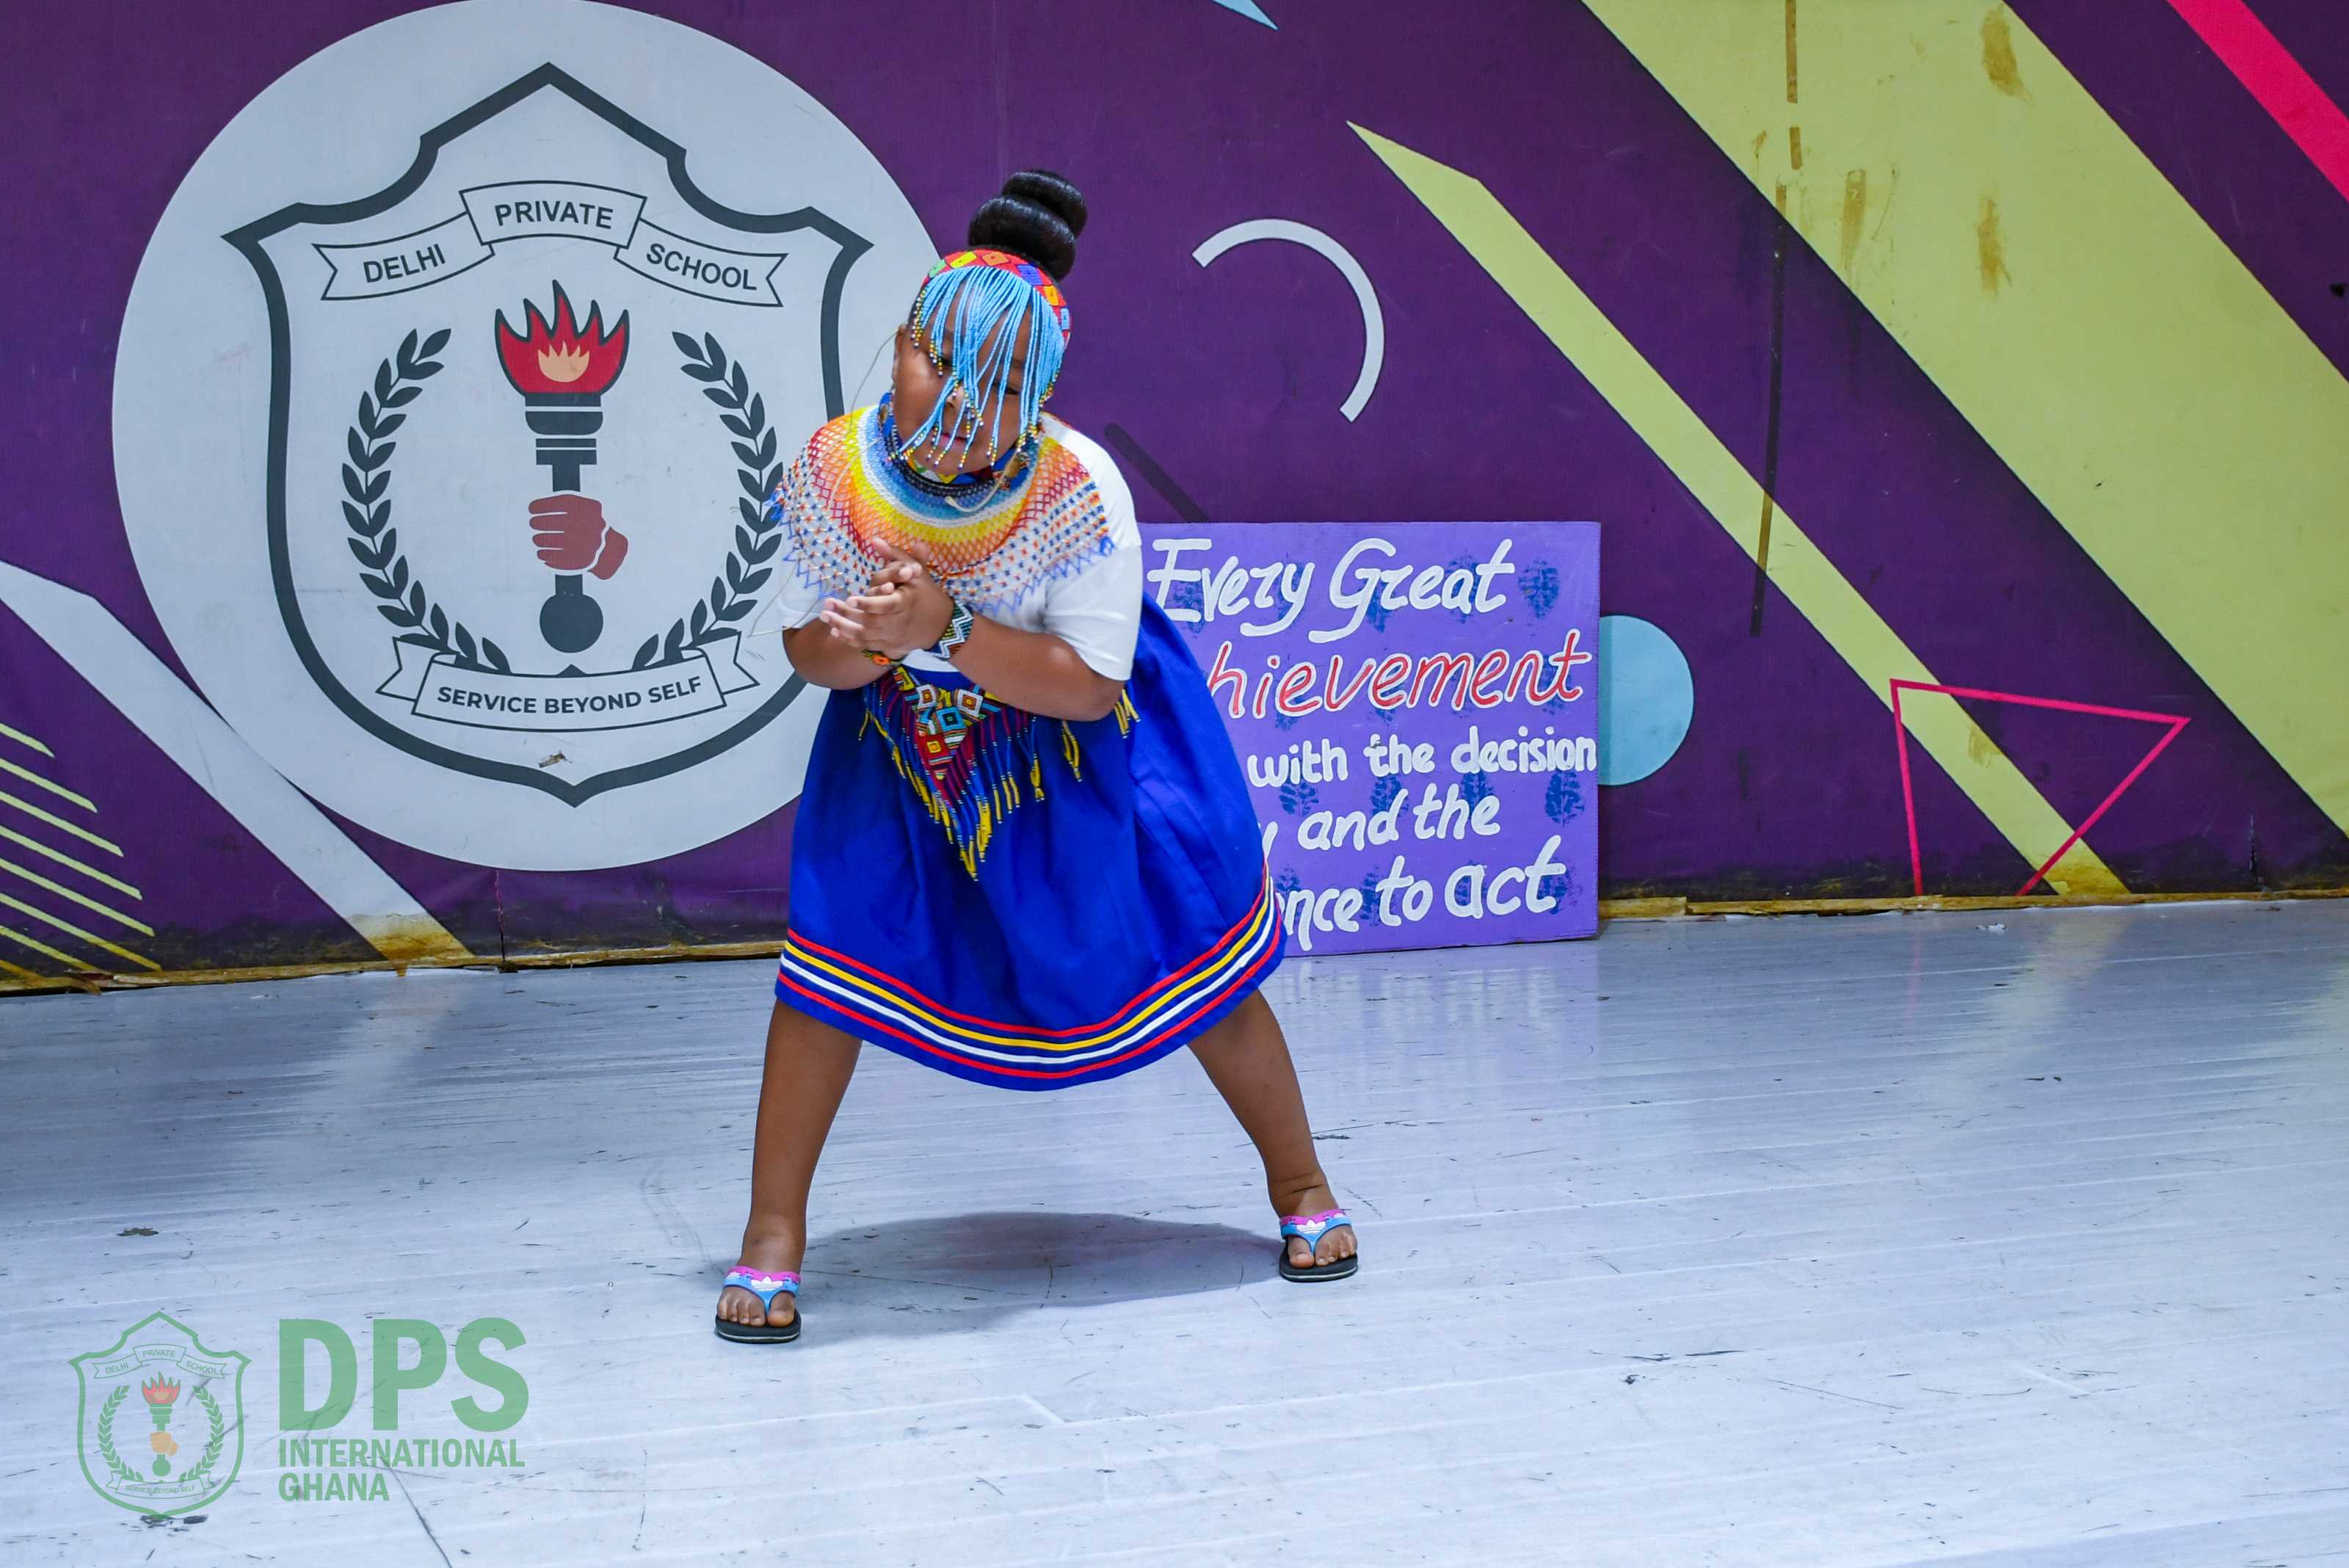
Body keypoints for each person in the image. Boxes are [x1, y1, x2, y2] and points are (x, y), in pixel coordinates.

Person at [714, 171, 1358, 1343]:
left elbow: (1090, 685)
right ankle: (771, 1236)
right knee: (822, 977)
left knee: (1200, 969)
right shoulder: (832, 471)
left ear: (1042, 397)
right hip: (902, 754)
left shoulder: (1079, 489)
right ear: (900, 347)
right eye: (940, 359)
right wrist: (870, 646)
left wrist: (947, 624)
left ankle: (1302, 1182)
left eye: (1005, 382)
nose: (966, 397)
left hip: (1073, 758)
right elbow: (810, 654)